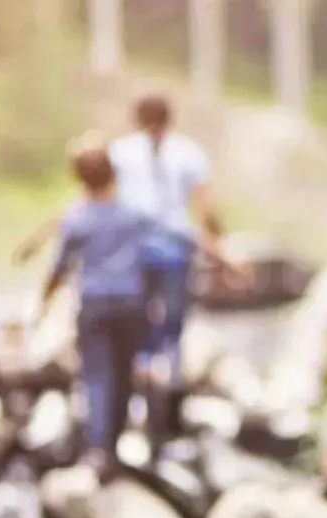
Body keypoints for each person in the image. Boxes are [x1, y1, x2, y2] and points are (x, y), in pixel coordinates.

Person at [17, 92, 240, 457]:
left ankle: (110, 437)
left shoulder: (114, 164)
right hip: (151, 270)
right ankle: (159, 402)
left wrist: (37, 251)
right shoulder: (177, 164)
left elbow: (72, 224)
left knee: (106, 365)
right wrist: (224, 253)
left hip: (115, 280)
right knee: (159, 340)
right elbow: (198, 216)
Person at [37, 133, 155, 478]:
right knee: (123, 376)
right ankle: (114, 447)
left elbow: (59, 268)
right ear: (113, 173)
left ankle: (100, 449)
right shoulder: (134, 214)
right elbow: (154, 256)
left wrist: (43, 302)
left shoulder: (76, 217)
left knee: (97, 376)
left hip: (94, 305)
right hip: (131, 304)